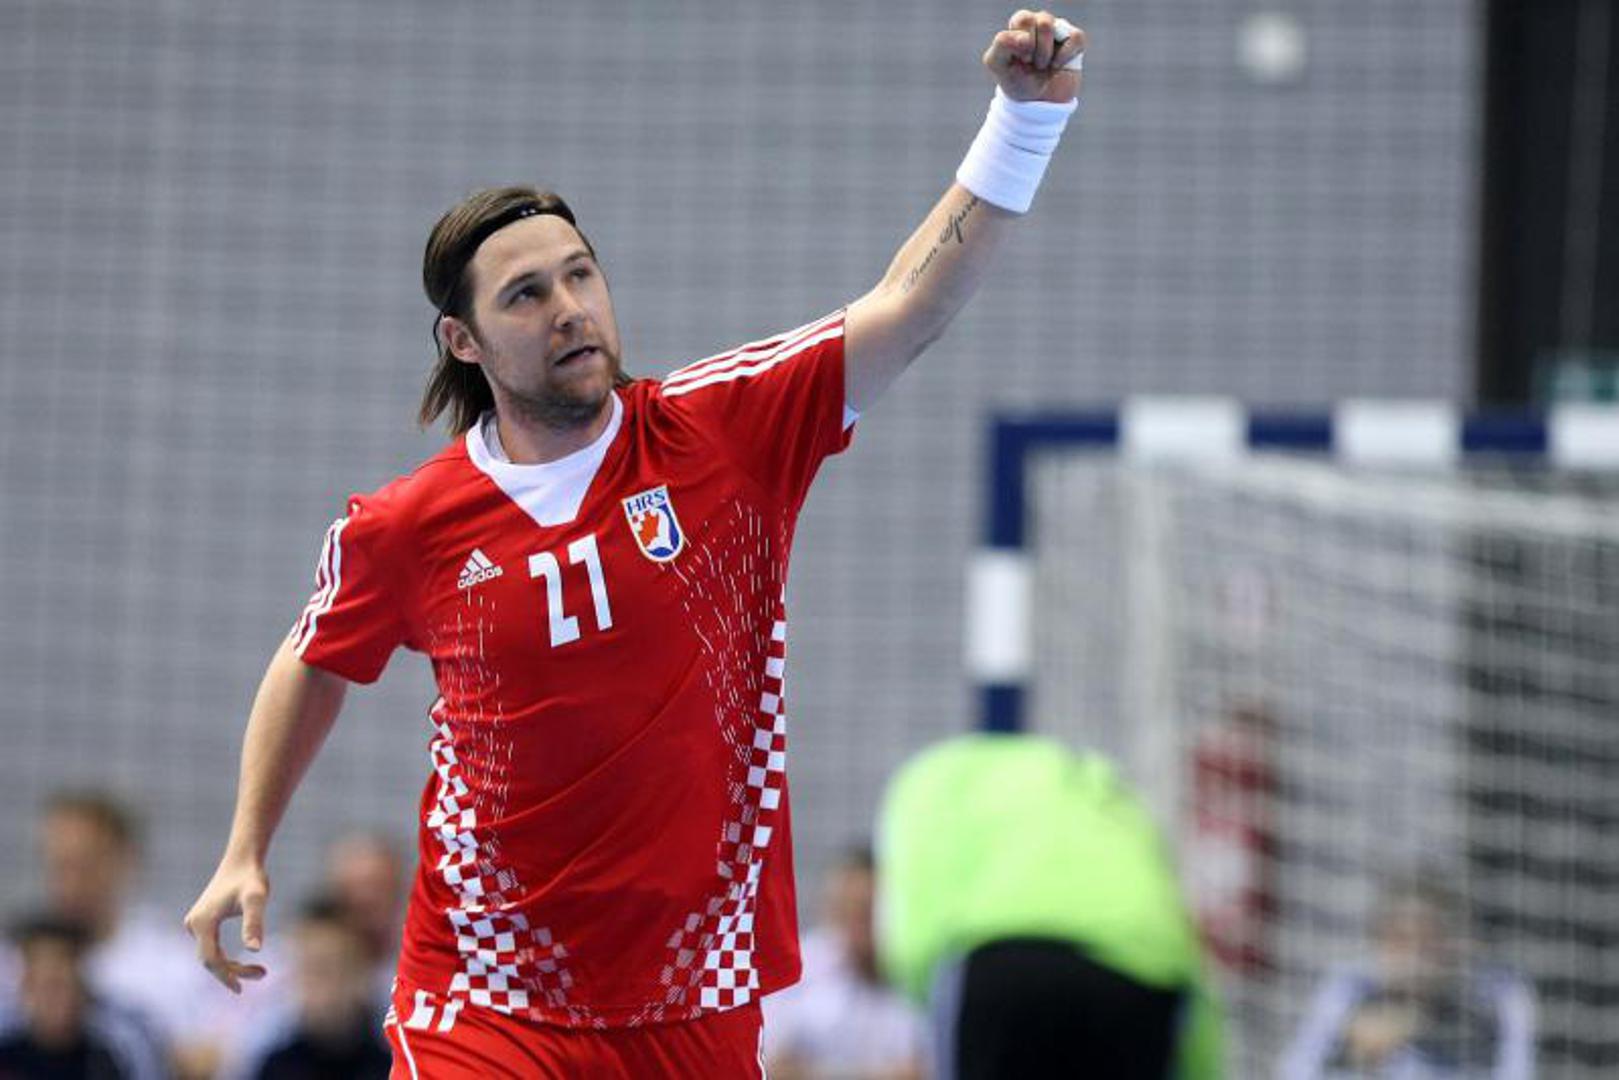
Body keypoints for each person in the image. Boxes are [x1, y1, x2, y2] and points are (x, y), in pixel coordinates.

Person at [184, 10, 1089, 1075]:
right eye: (527, 295)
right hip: (485, 995)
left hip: (693, 994)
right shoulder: (407, 526)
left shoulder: (722, 433)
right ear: (463, 340)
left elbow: (910, 301)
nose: (569, 308)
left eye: (580, 275)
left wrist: (1023, 120)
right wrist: (245, 846)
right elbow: (314, 656)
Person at [876, 734, 1225, 1079]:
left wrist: (926, 996)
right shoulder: (1101, 789)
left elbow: (914, 928)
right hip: (1140, 973)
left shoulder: (933, 783)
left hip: (1003, 963)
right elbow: (1176, 931)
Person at [28, 791, 231, 1079]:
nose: (70, 882)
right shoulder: (15, 965)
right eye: (59, 865)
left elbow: (207, 1060)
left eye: (84, 865)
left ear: (124, 861)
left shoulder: (175, 966)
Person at [1280, 876, 1535, 1078]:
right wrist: (1356, 1051)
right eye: (1401, 939)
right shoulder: (1350, 986)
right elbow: (1296, 1070)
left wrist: (1420, 1020)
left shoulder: (1499, 993)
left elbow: (1518, 1070)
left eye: (1428, 940)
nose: (1415, 955)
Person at [762, 847, 926, 1080]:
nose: (854, 926)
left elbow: (921, 1070)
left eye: (865, 913)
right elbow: (771, 1067)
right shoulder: (797, 972)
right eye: (845, 910)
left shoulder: (913, 978)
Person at [226, 897, 393, 1080]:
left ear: (360, 973)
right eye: (306, 967)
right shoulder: (274, 1067)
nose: (314, 983)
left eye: (326, 967)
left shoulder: (395, 1066)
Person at [0, 914, 167, 1080]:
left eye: (60, 984)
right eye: (42, 986)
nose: (52, 1000)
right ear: (25, 985)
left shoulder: (118, 1046)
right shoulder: (7, 1048)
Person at [322, 831, 409, 1011]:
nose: (365, 899)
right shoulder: (290, 968)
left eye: (378, 887)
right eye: (352, 889)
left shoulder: (422, 964)